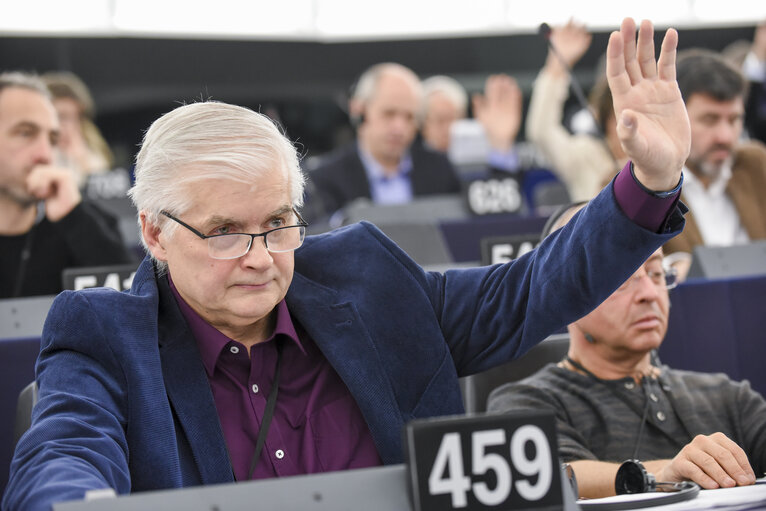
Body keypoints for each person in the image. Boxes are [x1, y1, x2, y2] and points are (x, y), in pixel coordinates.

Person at [4, 18, 691, 511]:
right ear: (154, 232)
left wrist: (650, 183)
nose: (260, 258)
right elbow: (64, 455)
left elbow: (531, 289)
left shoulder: (368, 281)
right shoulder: (102, 332)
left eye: (277, 224)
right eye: (223, 232)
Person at [487, 202, 766, 499]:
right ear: (563, 296)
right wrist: (661, 476)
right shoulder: (527, 403)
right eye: (621, 277)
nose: (649, 294)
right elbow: (553, 475)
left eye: (657, 273)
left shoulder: (728, 397)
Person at [0, 72, 132, 299]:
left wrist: (73, 217)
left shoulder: (80, 221)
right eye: (25, 133)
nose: (45, 154)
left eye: (52, 139)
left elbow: (135, 304)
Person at [305, 63, 461, 221]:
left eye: (409, 117)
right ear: (359, 111)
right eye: (389, 114)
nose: (400, 128)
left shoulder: (441, 170)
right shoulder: (325, 179)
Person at [662, 49, 766, 258]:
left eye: (734, 119)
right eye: (710, 119)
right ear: (673, 116)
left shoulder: (756, 165)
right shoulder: (638, 184)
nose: (725, 137)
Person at [526, 20, 628, 201]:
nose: (631, 125)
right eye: (620, 115)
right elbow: (542, 131)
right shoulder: (587, 154)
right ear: (604, 118)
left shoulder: (666, 161)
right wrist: (557, 66)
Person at [41, 71, 114, 187]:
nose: (67, 127)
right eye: (61, 117)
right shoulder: (36, 154)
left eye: (76, 117)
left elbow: (101, 186)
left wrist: (81, 159)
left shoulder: (91, 148)